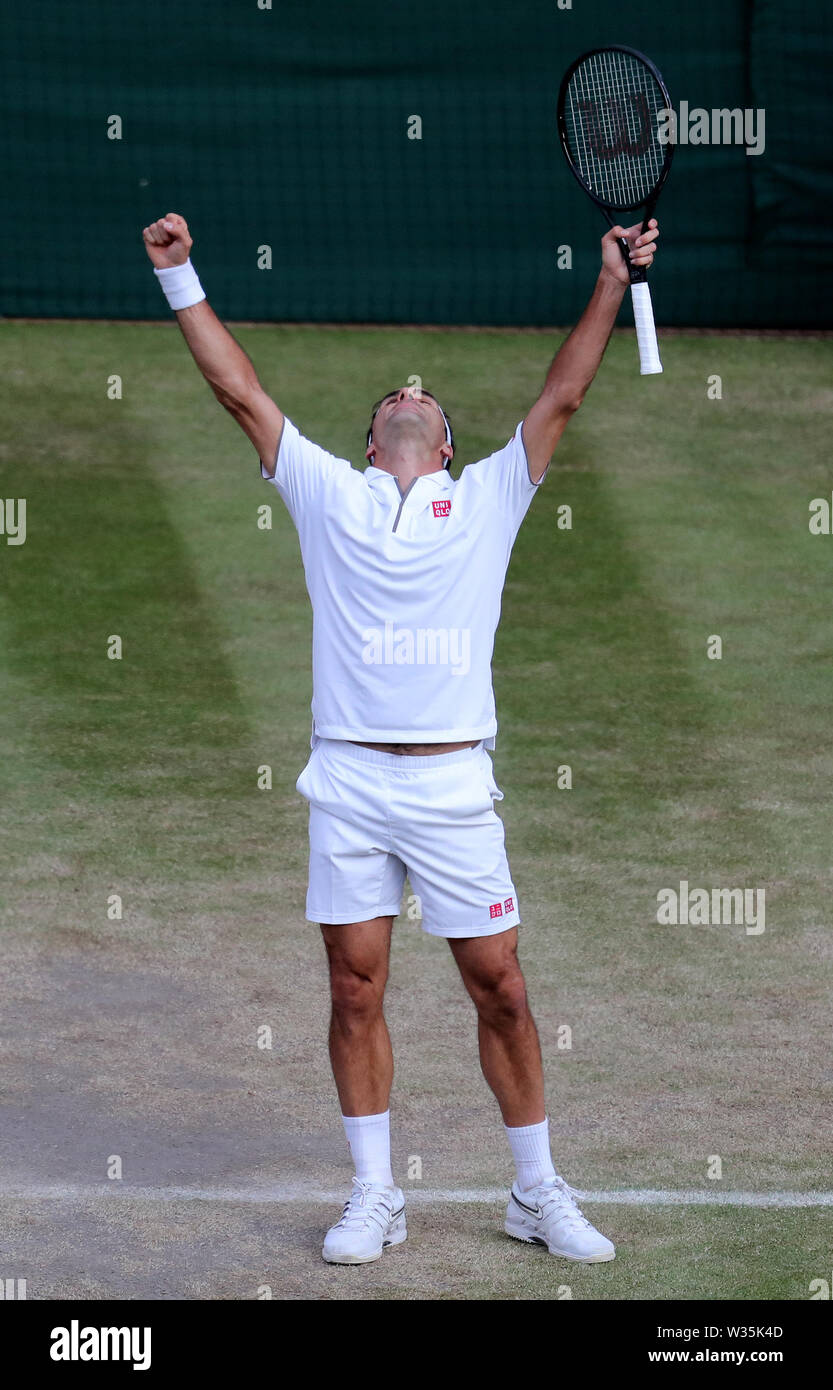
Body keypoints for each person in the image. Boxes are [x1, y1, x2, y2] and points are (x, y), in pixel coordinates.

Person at [142, 211, 659, 1266]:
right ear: (374, 443)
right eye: (393, 399)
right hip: (347, 781)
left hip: (453, 786)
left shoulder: (487, 498)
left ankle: (533, 1189)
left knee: (502, 987)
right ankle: (375, 1193)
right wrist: (180, 273)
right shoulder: (328, 492)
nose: (409, 391)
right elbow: (237, 390)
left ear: (446, 444)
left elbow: (563, 393)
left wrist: (608, 279)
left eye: (425, 397)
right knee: (354, 985)